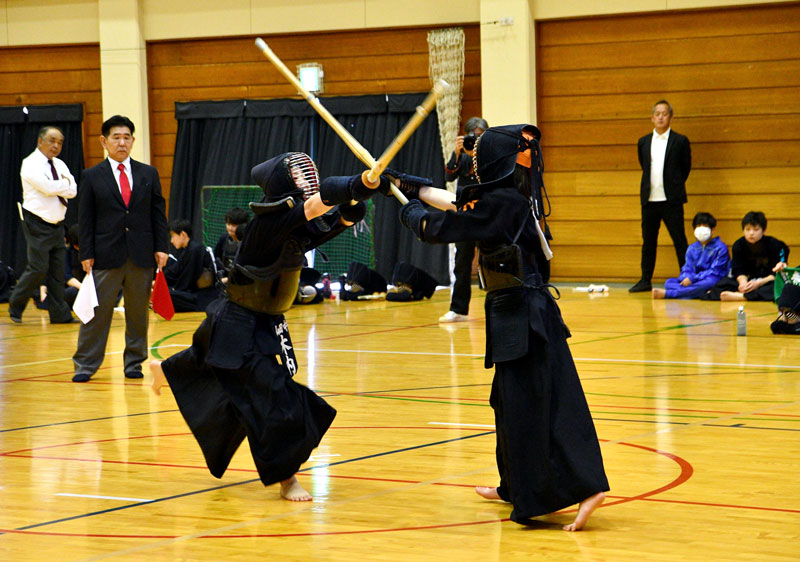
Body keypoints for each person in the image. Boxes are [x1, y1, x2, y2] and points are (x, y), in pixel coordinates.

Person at [398, 124, 609, 530]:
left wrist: (414, 216)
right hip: (517, 311)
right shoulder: (508, 198)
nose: (472, 165)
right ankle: (513, 484)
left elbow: (446, 226)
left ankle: (585, 486)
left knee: (540, 405)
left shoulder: (504, 204)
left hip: (525, 316)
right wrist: (417, 188)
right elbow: (460, 205)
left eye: (478, 159)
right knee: (507, 403)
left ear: (492, 161)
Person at [150, 152, 383, 501]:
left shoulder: (291, 226)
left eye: (309, 176)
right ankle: (286, 478)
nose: (309, 181)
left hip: (262, 321)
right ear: (283, 183)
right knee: (275, 398)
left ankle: (165, 369)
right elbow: (318, 207)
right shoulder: (267, 222)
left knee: (237, 383)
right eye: (301, 176)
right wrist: (354, 185)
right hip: (237, 323)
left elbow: (320, 228)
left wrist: (352, 208)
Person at [72, 115, 169, 383]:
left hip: (141, 253)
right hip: (105, 254)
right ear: (104, 141)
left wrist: (162, 246)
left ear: (133, 141)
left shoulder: (148, 173)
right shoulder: (91, 176)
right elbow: (86, 219)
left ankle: (134, 362)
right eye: (116, 137)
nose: (122, 142)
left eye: (127, 137)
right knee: (96, 313)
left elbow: (158, 213)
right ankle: (85, 365)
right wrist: (86, 253)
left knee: (138, 313)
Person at [8, 125, 77, 324]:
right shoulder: (30, 164)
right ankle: (16, 304)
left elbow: (73, 190)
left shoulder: (60, 164)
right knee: (38, 268)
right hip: (36, 222)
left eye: (60, 142)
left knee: (57, 271)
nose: (56, 146)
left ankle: (59, 315)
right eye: (52, 141)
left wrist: (62, 186)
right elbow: (46, 188)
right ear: (40, 141)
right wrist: (63, 186)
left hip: (57, 223)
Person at [630, 100, 691, 293]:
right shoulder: (643, 141)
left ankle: (687, 277)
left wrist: (674, 186)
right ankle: (645, 279)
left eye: (664, 113)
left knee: (679, 240)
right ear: (652, 117)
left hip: (671, 200)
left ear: (671, 117)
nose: (661, 117)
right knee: (648, 241)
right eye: (657, 113)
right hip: (649, 200)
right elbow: (644, 165)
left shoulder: (680, 141)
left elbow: (685, 168)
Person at [439, 117, 487, 323]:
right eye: (472, 134)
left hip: (486, 213)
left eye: (479, 134)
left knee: (491, 260)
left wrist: (475, 155)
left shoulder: (489, 154)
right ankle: (457, 309)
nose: (475, 138)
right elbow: (449, 176)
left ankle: (497, 305)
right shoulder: (462, 154)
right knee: (462, 262)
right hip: (465, 214)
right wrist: (458, 153)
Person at [703, 211, 789, 302]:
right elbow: (738, 270)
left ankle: (742, 296)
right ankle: (747, 293)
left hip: (766, 281)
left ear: (764, 231)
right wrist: (743, 283)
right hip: (748, 281)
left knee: (781, 287)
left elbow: (778, 273)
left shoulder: (775, 245)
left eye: (755, 230)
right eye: (747, 229)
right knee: (722, 284)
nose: (751, 233)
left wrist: (758, 283)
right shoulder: (738, 245)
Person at [652, 212, 729, 299]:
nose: (701, 230)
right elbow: (688, 267)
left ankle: (669, 294)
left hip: (711, 279)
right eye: (698, 226)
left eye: (705, 227)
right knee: (669, 282)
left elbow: (715, 271)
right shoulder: (692, 248)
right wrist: (686, 277)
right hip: (694, 281)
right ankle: (696, 292)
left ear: (712, 229)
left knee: (708, 283)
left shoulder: (720, 248)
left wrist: (693, 279)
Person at [164, 218, 217, 312]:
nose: (171, 241)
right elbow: (175, 270)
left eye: (172, 236)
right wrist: (159, 281)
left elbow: (188, 278)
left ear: (183, 234)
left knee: (167, 295)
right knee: (164, 292)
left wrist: (175, 289)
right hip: (193, 293)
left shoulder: (195, 249)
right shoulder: (188, 250)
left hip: (203, 296)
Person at [213, 207, 249, 280]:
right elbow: (216, 258)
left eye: (234, 225)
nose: (230, 228)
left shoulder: (248, 242)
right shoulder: (223, 239)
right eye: (228, 224)